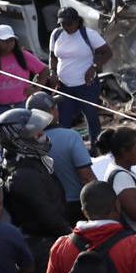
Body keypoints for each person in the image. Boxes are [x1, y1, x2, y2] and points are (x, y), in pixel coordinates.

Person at [0, 107, 71, 273]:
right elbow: (45, 213)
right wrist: (71, 234)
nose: (43, 137)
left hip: (46, 241)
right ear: (19, 139)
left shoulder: (25, 163)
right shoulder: (23, 174)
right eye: (38, 133)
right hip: (41, 246)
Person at [25, 91, 96, 222]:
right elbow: (86, 176)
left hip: (45, 209)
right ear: (51, 112)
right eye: (55, 108)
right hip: (76, 206)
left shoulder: (26, 142)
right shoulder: (70, 136)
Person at [49, 8, 107, 148]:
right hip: (64, 85)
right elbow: (52, 56)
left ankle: (96, 147)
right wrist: (53, 72)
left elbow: (106, 52)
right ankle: (65, 148)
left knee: (91, 117)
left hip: (86, 85)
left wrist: (93, 67)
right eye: (63, 24)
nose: (66, 27)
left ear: (77, 22)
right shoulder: (57, 34)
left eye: (69, 24)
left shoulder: (88, 34)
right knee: (64, 119)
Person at [0, 25, 46, 109]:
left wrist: (37, 88)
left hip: (22, 105)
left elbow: (44, 70)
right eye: (5, 41)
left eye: (11, 40)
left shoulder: (24, 55)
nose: (9, 43)